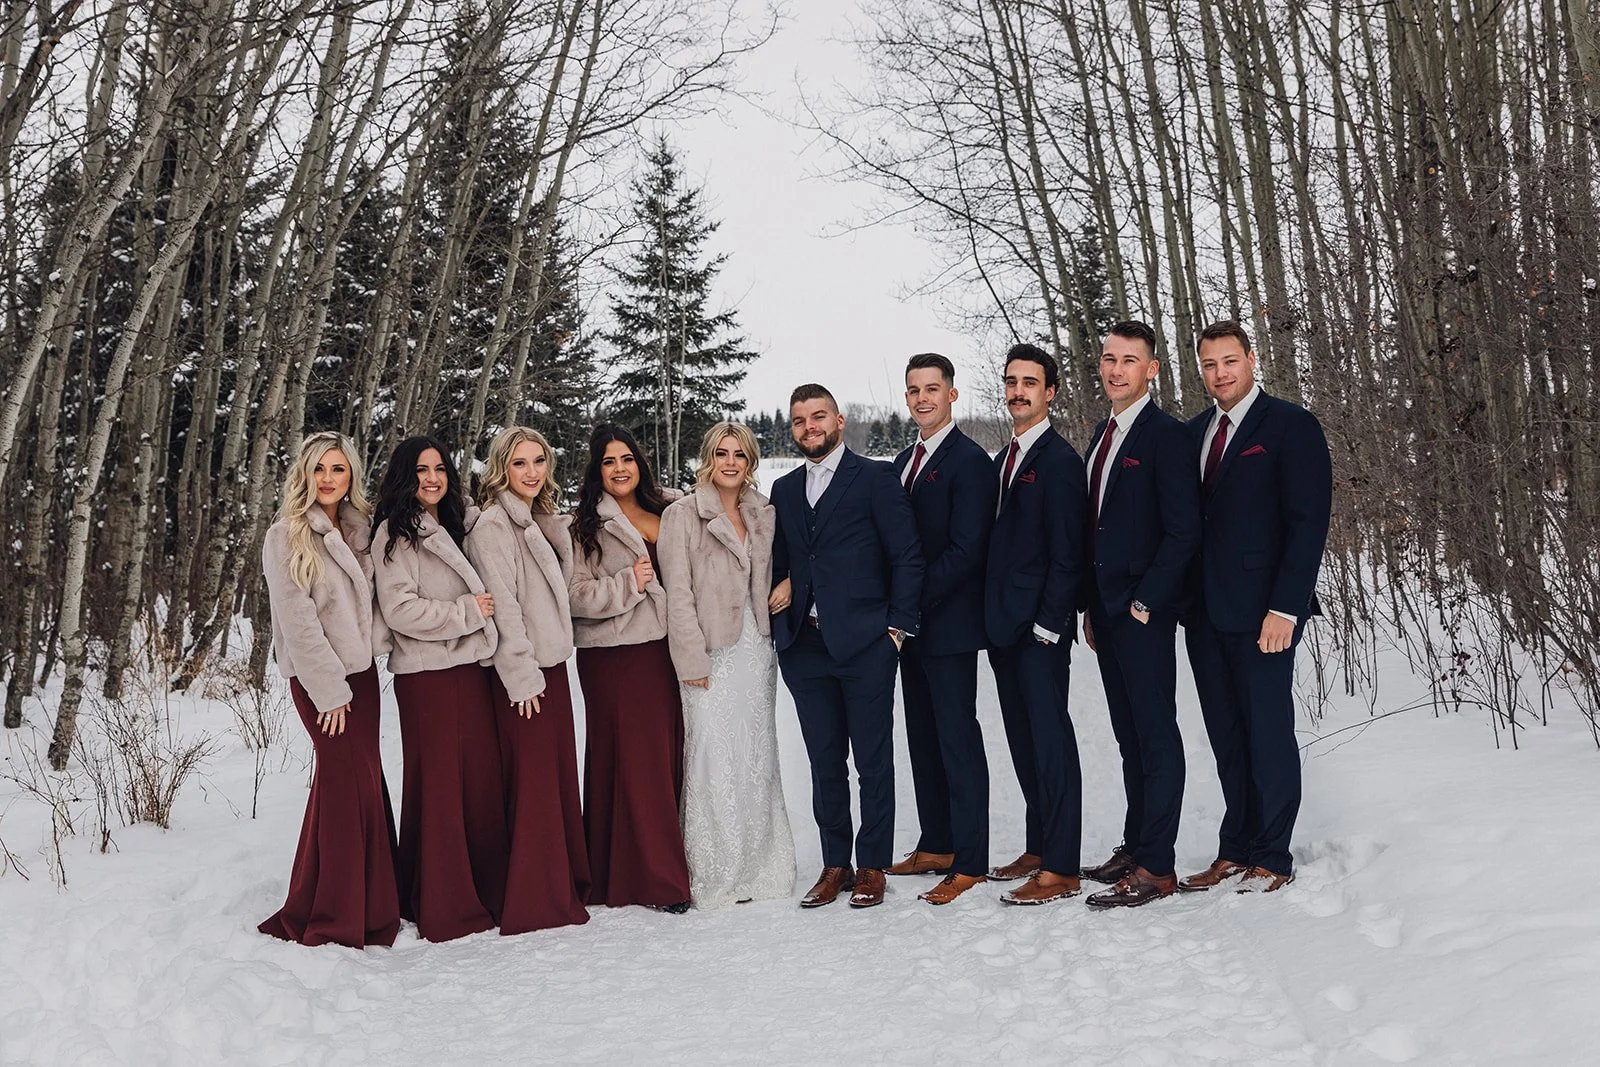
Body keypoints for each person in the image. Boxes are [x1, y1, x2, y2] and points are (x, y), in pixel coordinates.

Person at [1180, 320, 1332, 893]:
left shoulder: (1291, 426)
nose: (1220, 374)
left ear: (1250, 359)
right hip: (1205, 612)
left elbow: (1306, 524)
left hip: (1266, 613)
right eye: (1210, 365)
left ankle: (1272, 852)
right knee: (1226, 733)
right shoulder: (1194, 432)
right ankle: (1235, 844)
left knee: (1267, 731)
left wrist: (1286, 609)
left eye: (1230, 361)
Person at [770, 383, 923, 909]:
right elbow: (784, 559)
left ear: (839, 420)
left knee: (873, 760)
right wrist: (786, 583)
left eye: (818, 417)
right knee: (824, 761)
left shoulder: (877, 479)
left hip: (866, 645)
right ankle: (836, 862)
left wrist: (896, 630)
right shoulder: (785, 490)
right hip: (805, 647)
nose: (808, 427)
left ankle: (872, 864)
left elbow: (907, 556)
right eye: (798, 420)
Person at [1073, 322, 1201, 910]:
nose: (1115, 369)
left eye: (1129, 360)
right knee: (1128, 736)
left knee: (1155, 734)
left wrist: (1147, 601)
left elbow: (1183, 531)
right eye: (1108, 359)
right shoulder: (1103, 432)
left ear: (1152, 369)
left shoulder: (1166, 436)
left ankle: (1159, 865)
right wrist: (1091, 607)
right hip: (1108, 611)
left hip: (1144, 613)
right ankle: (1137, 842)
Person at [258, 431, 400, 948]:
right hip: (322, 682)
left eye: (338, 470)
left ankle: (371, 901)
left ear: (350, 477)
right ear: (305, 474)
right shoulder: (287, 536)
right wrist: (330, 691)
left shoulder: (358, 531)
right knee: (344, 786)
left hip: (361, 678)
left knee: (359, 782)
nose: (328, 479)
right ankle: (336, 914)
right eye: (320, 469)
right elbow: (297, 624)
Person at [372, 435, 509, 941]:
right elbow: (401, 610)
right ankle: (444, 900)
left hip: (468, 671)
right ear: (405, 477)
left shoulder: (455, 523)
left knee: (477, 782)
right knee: (440, 787)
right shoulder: (395, 534)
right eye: (421, 471)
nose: (432, 479)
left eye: (440, 470)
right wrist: (468, 613)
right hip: (427, 676)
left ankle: (481, 888)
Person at [658, 421, 797, 909]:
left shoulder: (764, 512)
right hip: (709, 654)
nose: (731, 462)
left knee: (756, 755)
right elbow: (677, 592)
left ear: (751, 459)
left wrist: (791, 584)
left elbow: (789, 563)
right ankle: (716, 869)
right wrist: (690, 657)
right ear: (708, 458)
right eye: (722, 453)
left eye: (740, 454)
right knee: (710, 756)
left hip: (756, 650)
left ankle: (760, 867)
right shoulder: (683, 515)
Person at [464, 426, 590, 934]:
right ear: (501, 468)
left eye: (540, 461)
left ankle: (561, 880)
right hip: (525, 673)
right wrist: (521, 677)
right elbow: (505, 608)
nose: (533, 472)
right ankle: (537, 899)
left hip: (552, 668)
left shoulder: (537, 521)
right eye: (520, 463)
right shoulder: (495, 526)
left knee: (555, 777)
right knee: (535, 783)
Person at [886, 354, 996, 906]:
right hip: (912, 630)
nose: (922, 398)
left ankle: (971, 858)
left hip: (949, 624)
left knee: (956, 738)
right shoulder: (905, 459)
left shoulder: (969, 461)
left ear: (952, 394)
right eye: (913, 390)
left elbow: (966, 550)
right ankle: (937, 843)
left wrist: (908, 599)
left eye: (932, 388)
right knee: (923, 736)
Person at [568, 424, 692, 912]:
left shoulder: (672, 509)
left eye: (627, 459)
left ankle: (624, 869)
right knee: (635, 762)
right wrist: (626, 583)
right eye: (608, 461)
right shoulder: (583, 525)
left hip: (664, 651)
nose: (619, 469)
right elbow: (576, 596)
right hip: (614, 656)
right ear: (596, 471)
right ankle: (659, 882)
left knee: (662, 757)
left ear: (639, 463)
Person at [984, 343, 1088, 905]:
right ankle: (1038, 844)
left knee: (1051, 743)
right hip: (1005, 629)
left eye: (1030, 382)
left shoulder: (1060, 462)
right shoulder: (1005, 458)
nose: (1018, 390)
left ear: (1049, 392)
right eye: (1011, 381)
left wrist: (1051, 624)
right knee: (1023, 741)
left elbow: (1068, 554)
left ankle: (1064, 866)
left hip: (1040, 633)